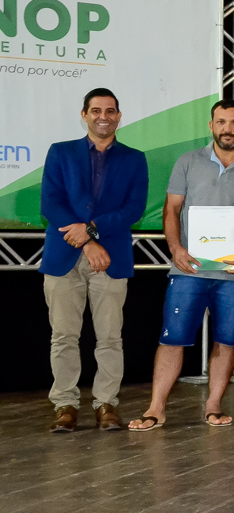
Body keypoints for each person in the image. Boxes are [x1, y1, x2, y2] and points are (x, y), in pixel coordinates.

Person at [128, 100, 234, 431]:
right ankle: (156, 409)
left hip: (232, 274)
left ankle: (213, 406)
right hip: (188, 270)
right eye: (221, 122)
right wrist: (176, 249)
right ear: (211, 126)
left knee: (227, 340)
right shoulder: (188, 161)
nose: (228, 129)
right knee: (172, 338)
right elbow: (171, 210)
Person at [40, 88, 148, 433]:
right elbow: (50, 203)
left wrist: (91, 231)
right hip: (64, 257)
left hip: (111, 258)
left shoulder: (134, 158)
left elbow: (133, 209)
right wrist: (88, 243)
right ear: (84, 114)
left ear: (118, 116)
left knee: (110, 338)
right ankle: (65, 405)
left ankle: (105, 403)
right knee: (63, 336)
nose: (104, 116)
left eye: (111, 111)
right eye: (96, 110)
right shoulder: (60, 153)